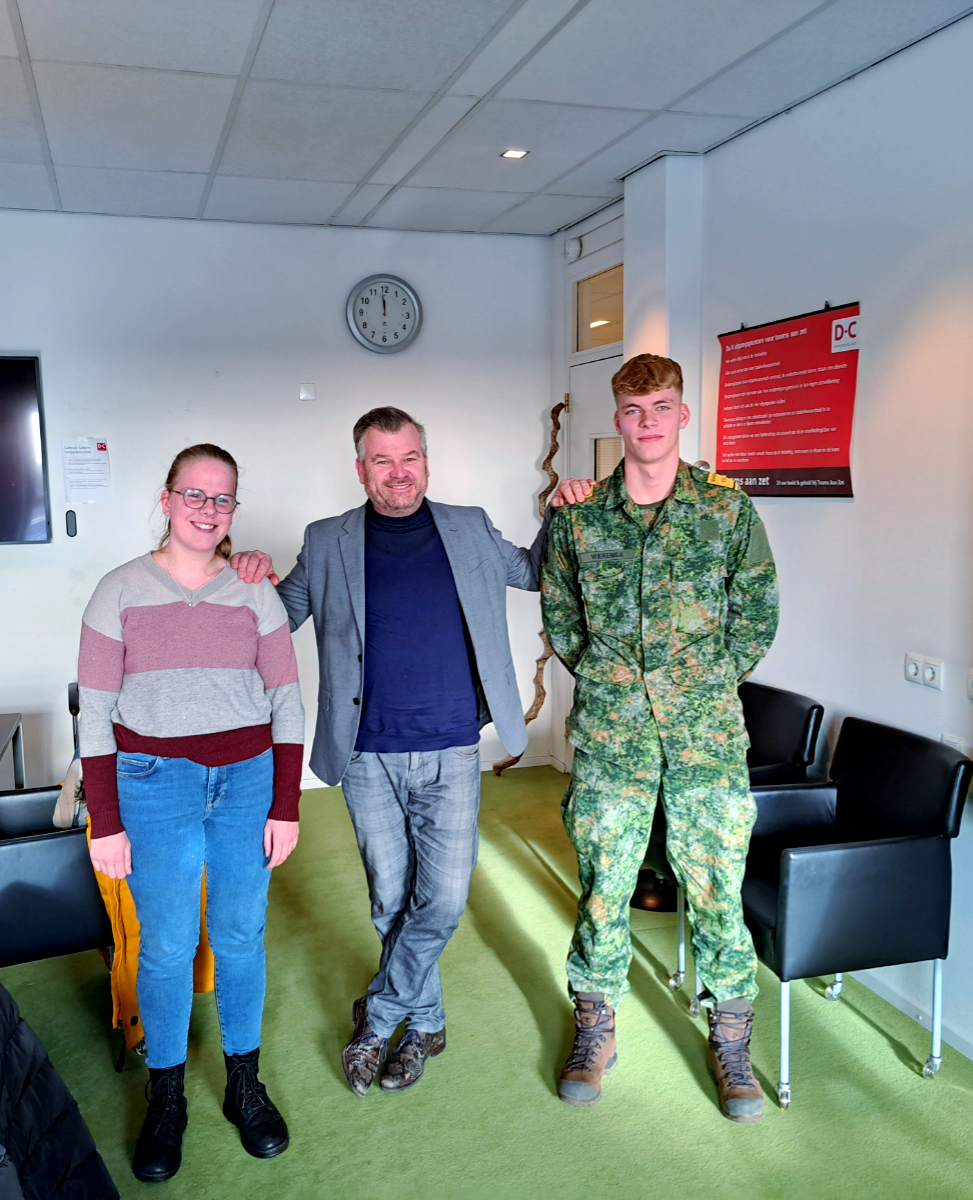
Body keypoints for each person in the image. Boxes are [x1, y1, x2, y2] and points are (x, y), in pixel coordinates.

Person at [233, 408, 589, 1096]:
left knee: (443, 901)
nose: (398, 474)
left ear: (426, 460)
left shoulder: (469, 526)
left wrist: (557, 516)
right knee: (388, 902)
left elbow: (537, 572)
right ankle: (425, 1023)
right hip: (366, 754)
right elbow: (277, 619)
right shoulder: (328, 539)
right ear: (359, 469)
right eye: (381, 461)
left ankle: (381, 1018)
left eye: (409, 458)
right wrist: (241, 573)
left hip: (453, 749)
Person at [540, 354, 779, 1120]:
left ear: (683, 414)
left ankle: (732, 1036)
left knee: (715, 886)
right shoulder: (578, 517)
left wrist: (698, 685)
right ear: (617, 419)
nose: (647, 423)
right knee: (605, 882)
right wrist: (617, 684)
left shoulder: (727, 509)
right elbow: (562, 621)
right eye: (634, 411)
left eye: (662, 408)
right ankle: (595, 1024)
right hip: (613, 735)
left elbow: (757, 614)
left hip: (705, 734)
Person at [79, 444, 304, 1183]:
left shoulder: (254, 591)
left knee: (241, 935)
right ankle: (167, 1093)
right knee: (168, 945)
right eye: (195, 495)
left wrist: (286, 803)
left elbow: (285, 703)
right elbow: (97, 715)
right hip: (153, 784)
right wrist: (106, 820)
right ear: (168, 498)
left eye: (222, 499)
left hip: (246, 782)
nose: (208, 510)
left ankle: (245, 1082)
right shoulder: (118, 591)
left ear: (233, 510)